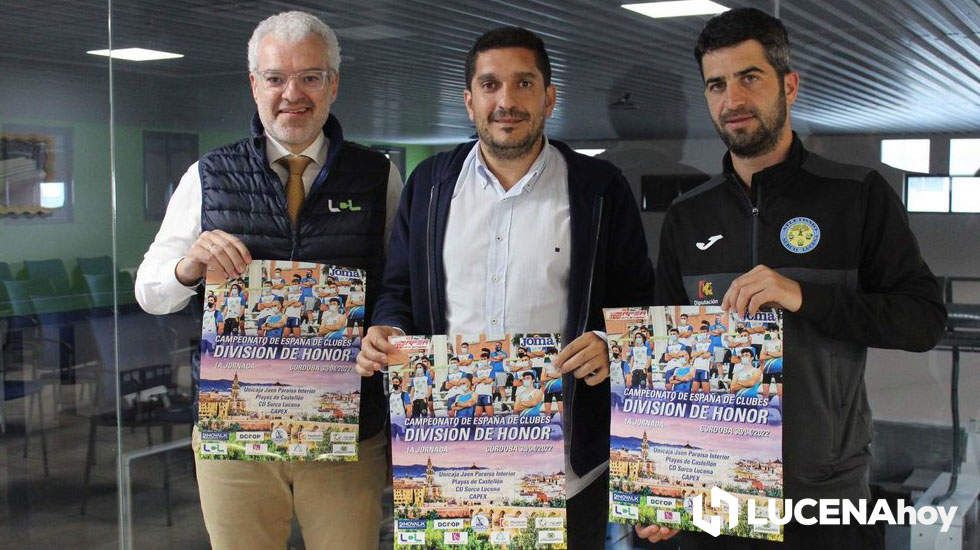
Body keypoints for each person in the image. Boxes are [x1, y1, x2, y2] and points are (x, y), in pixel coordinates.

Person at [642, 7, 945, 547]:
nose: (732, 100)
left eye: (749, 78)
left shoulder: (856, 195)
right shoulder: (688, 216)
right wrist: (664, 483)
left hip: (824, 494)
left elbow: (922, 322)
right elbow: (665, 358)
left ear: (790, 85)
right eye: (716, 85)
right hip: (717, 491)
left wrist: (804, 297)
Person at [356, 26, 655, 549]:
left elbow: (637, 301)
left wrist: (611, 344)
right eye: (491, 85)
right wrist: (387, 326)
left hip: (564, 464)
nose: (507, 101)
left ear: (549, 96)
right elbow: (398, 287)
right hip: (450, 456)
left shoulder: (599, 190)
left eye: (524, 84)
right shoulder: (428, 186)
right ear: (469, 100)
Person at [133, 10, 403, 549]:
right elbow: (149, 291)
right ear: (254, 85)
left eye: (310, 77)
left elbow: (402, 284)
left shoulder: (377, 176)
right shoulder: (208, 174)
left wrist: (390, 326)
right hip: (236, 435)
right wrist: (188, 266)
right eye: (276, 78)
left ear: (333, 85)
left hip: (347, 433)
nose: (292, 94)